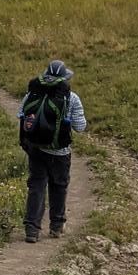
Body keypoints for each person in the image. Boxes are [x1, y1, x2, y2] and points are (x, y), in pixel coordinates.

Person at [19, 59, 86, 242]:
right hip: (60, 152)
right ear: (64, 78)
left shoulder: (32, 94)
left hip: (36, 149)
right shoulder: (71, 98)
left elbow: (21, 115)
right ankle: (56, 227)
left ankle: (31, 229)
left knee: (36, 186)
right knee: (59, 186)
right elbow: (80, 127)